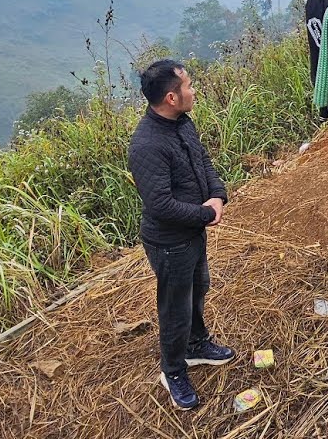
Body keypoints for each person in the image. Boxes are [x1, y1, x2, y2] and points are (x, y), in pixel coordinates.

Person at [128, 59, 236, 410]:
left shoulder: (182, 124)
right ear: (172, 97)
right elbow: (159, 204)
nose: (193, 91)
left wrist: (218, 194)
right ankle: (173, 370)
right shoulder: (146, 144)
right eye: (188, 85)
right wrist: (206, 213)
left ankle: (196, 343)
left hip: (191, 233)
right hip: (170, 242)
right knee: (175, 307)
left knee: (198, 287)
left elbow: (202, 160)